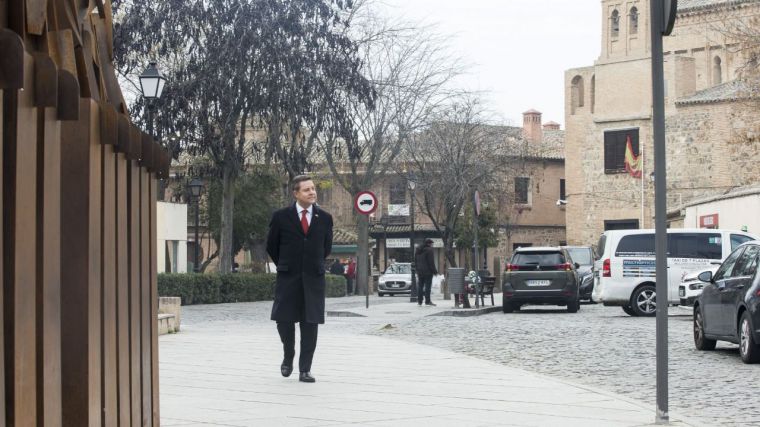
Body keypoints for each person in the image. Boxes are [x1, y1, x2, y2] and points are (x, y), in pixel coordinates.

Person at [267, 175, 333, 383]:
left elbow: (326, 248)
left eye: (313, 189)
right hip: (288, 278)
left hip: (314, 278)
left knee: (310, 324)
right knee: (283, 320)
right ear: (295, 193)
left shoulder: (325, 218)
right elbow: (272, 246)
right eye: (307, 190)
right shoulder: (280, 217)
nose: (312, 192)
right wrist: (286, 265)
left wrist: (312, 264)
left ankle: (305, 369)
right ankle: (289, 354)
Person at [415, 238, 438, 306]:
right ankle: (427, 301)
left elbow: (415, 261)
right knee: (428, 287)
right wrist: (435, 271)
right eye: (432, 244)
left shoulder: (418, 250)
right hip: (428, 272)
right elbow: (431, 262)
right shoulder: (429, 250)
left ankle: (419, 301)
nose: (432, 245)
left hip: (420, 271)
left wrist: (417, 270)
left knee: (420, 286)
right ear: (429, 244)